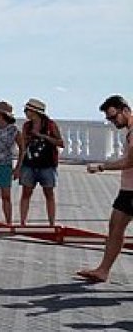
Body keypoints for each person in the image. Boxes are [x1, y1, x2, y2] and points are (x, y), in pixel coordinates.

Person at [77, 95, 133, 284]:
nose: (112, 122)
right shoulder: (129, 131)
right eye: (109, 119)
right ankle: (103, 270)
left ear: (125, 110)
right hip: (128, 189)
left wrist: (102, 166)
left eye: (113, 117)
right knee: (115, 227)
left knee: (116, 227)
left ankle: (103, 270)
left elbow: (129, 161)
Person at [15, 98, 63, 226]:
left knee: (49, 193)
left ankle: (51, 223)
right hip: (29, 164)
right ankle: (23, 222)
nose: (25, 112)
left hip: (47, 165)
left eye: (28, 110)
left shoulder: (50, 125)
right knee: (26, 192)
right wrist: (18, 167)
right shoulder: (27, 126)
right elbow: (23, 147)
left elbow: (60, 143)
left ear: (35, 112)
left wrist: (42, 136)